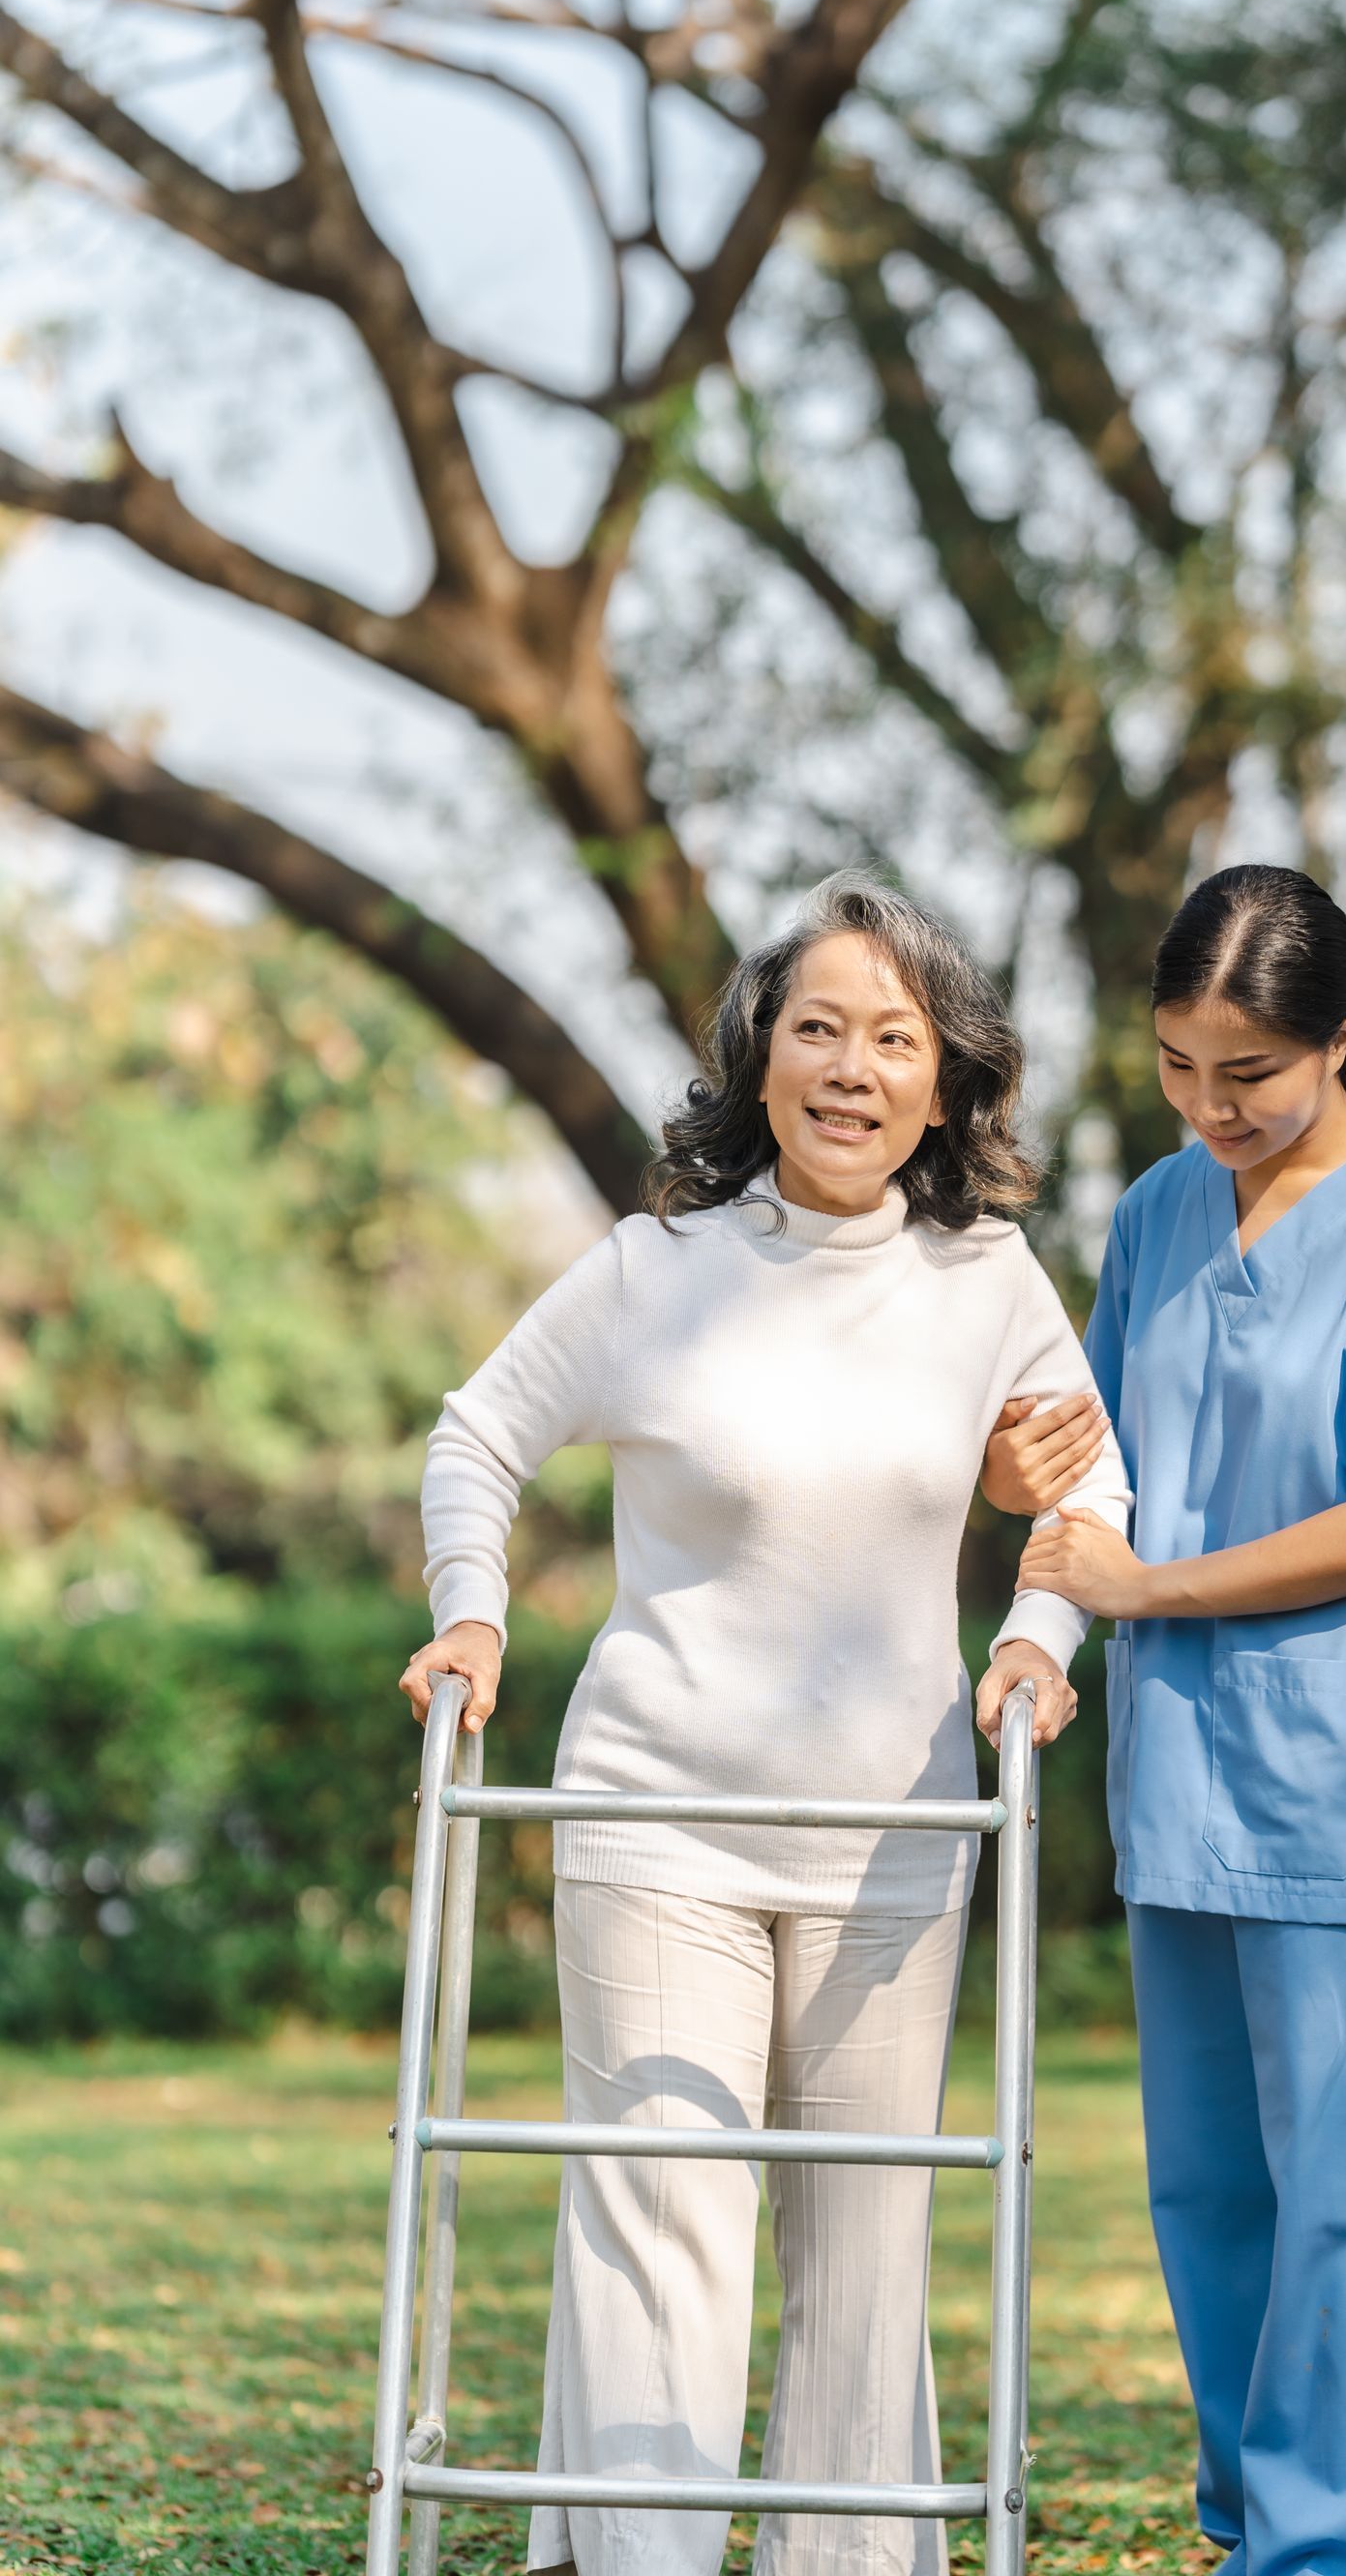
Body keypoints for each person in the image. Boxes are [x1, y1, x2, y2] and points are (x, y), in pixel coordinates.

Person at [398, 873, 1128, 2576]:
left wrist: (1035, 1634)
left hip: (901, 1839)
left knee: (867, 2261)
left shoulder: (988, 1277)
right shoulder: (660, 1268)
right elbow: (476, 1433)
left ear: (947, 1077)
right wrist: (473, 1609)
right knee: (664, 2231)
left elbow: (1094, 1482)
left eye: (896, 1037)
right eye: (818, 1029)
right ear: (757, 1055)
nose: (854, 1068)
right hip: (654, 1822)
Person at [988, 862, 1346, 2576]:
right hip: (1185, 1796)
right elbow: (1087, 1458)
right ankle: (1256, 2534)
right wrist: (1021, 1483)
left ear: (1342, 1041)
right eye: (1178, 1068)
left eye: (1253, 1076)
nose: (1214, 1109)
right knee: (1214, 2209)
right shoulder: (1154, 1214)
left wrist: (1144, 1593)